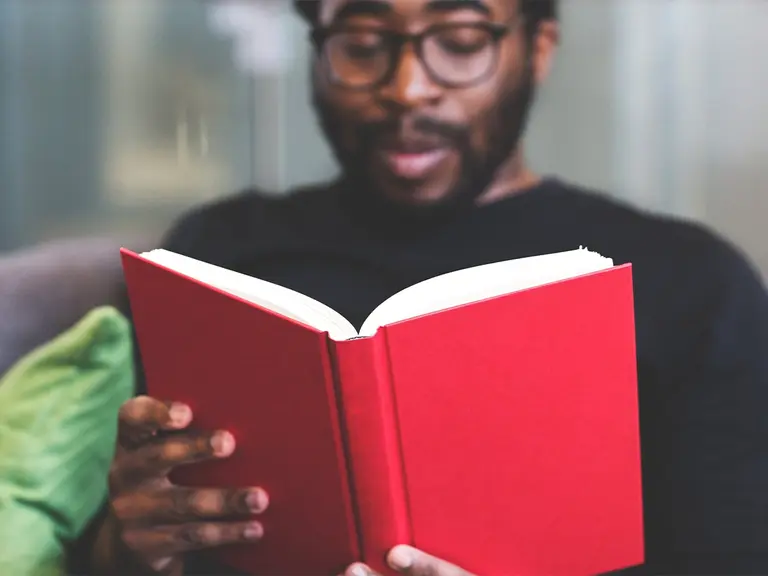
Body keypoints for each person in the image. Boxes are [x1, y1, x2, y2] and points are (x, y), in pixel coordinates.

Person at [70, 0, 768, 574]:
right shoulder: (216, 256)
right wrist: (132, 549)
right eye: (363, 42)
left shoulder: (692, 282)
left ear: (539, 48)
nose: (407, 88)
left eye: (461, 41)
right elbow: (119, 538)